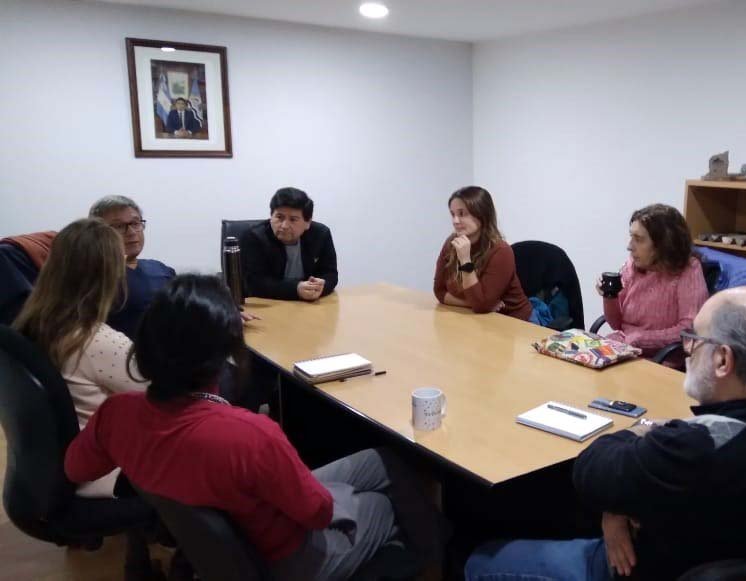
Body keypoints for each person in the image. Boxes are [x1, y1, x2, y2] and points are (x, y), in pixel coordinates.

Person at [64, 274, 447, 580]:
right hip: (289, 559)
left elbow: (76, 468)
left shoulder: (116, 414)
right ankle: (439, 560)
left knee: (382, 461)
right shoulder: (250, 435)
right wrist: (339, 495)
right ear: (224, 353)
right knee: (385, 503)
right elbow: (317, 513)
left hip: (240, 535)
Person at [466, 286, 746, 581]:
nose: (688, 350)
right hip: (724, 555)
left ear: (723, 360)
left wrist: (643, 435)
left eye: (695, 340)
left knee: (480, 559)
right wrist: (619, 503)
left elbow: (591, 468)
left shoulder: (691, 449)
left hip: (639, 569)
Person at [14, 218, 147, 498]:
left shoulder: (32, 324)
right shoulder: (97, 341)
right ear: (108, 275)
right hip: (106, 474)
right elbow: (169, 397)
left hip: (49, 470)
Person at [596, 204, 708, 361]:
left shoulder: (689, 270)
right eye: (631, 237)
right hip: (625, 350)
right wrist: (609, 297)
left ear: (663, 244)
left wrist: (640, 338)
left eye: (639, 239)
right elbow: (617, 324)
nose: (629, 246)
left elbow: (689, 330)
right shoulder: (632, 266)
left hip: (662, 360)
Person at [432, 185, 535, 322]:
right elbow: (439, 292)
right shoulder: (451, 243)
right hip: (478, 318)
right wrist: (471, 304)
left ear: (482, 214)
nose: (455, 221)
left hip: (516, 321)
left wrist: (465, 260)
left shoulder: (501, 250)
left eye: (462, 214)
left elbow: (481, 305)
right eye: (453, 214)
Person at [89, 195, 176, 339]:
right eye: (119, 226)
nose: (131, 232)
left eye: (135, 223)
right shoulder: (92, 277)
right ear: (96, 233)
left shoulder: (161, 269)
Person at [241, 187, 338, 301]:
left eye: (293, 219)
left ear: (307, 223)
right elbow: (255, 283)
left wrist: (321, 286)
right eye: (279, 217)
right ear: (271, 216)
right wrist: (296, 289)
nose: (284, 226)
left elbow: (330, 274)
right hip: (269, 304)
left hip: (310, 305)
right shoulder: (255, 237)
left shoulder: (321, 235)